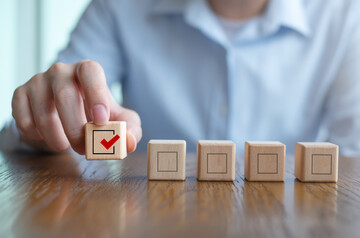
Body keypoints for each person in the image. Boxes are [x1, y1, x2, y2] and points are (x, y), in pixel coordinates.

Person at [1, 0, 360, 156]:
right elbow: (32, 126)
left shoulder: (346, 17)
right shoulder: (118, 6)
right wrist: (42, 124)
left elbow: (352, 158)